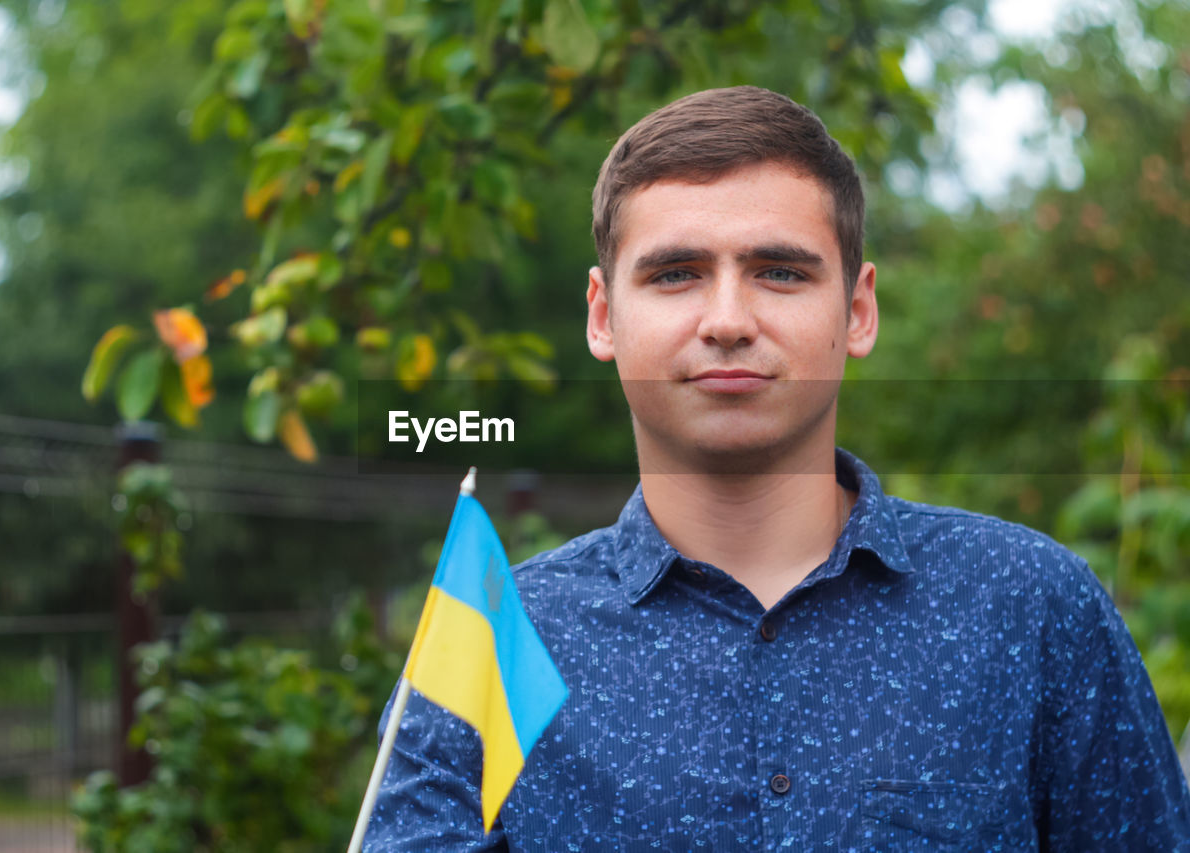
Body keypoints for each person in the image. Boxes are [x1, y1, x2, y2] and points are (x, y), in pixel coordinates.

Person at [365, 86, 1190, 850]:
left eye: (780, 272)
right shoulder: (485, 654)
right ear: (604, 314)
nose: (727, 320)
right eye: (676, 273)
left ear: (858, 309)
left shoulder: (1033, 610)